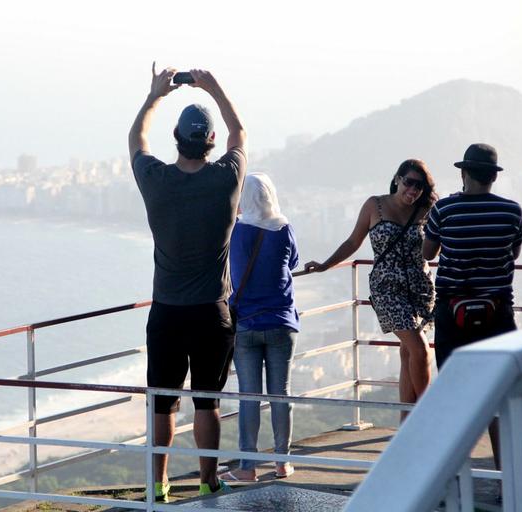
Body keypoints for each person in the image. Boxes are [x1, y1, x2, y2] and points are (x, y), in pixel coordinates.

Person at [128, 63, 246, 501]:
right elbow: (240, 135)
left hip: (167, 311)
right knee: (207, 401)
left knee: (162, 400)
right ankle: (207, 478)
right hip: (212, 310)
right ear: (210, 141)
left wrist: (155, 95)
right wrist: (214, 86)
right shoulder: (225, 179)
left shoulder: (156, 180)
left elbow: (136, 140)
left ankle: (158, 483)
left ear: (176, 139)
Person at [422, 143, 522, 471]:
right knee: (500, 397)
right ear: (493, 177)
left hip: (453, 314)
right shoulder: (512, 211)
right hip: (498, 313)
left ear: (463, 172)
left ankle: (454, 476)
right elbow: (513, 254)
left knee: (453, 396)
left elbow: (428, 253)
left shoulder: (445, 211)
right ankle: (504, 472)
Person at [304, 160, 437, 418]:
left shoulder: (427, 210)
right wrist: (324, 265)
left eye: (420, 186)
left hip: (420, 288)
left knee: (408, 352)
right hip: (387, 289)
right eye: (409, 182)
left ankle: (406, 420)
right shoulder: (374, 205)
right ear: (397, 179)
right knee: (419, 348)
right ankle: (428, 417)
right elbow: (353, 241)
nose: (413, 190)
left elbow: (433, 250)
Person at [219, 173, 299, 483]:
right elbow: (292, 262)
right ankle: (282, 462)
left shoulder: (236, 232)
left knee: (248, 396)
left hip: (247, 325)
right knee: (281, 394)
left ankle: (248, 466)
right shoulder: (284, 229)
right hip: (281, 322)